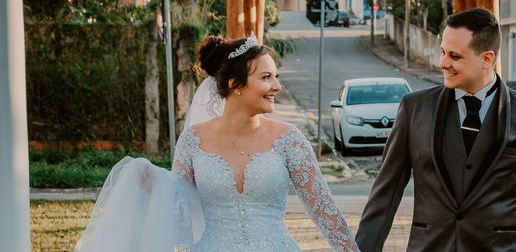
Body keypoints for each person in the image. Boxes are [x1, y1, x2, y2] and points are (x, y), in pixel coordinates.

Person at [75, 32, 360, 252]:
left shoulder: (290, 140)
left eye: (276, 77)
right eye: (266, 77)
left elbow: (325, 212)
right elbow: (181, 215)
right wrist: (155, 186)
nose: (277, 86)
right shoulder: (193, 140)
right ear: (235, 85)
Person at [355, 8, 516, 252]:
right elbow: (385, 193)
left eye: (454, 56)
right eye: (442, 52)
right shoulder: (414, 108)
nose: (443, 63)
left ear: (487, 59)